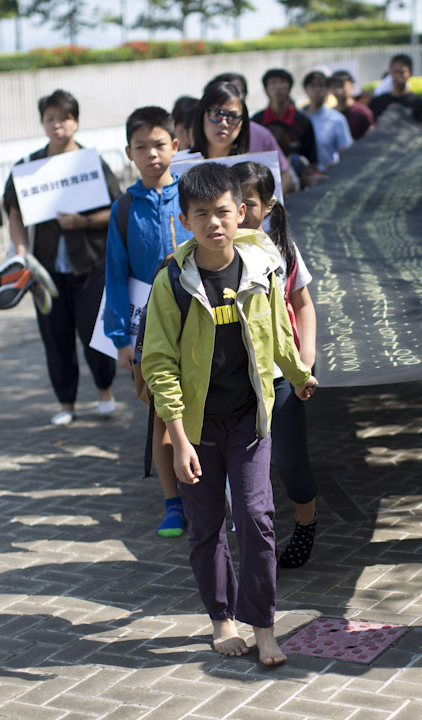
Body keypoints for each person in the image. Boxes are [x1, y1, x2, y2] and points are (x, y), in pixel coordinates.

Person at [141, 162, 316, 665]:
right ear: (185, 221)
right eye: (202, 215)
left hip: (248, 418)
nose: (214, 224)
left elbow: (277, 331)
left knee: (257, 516)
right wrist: (177, 437)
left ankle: (263, 625)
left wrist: (299, 374)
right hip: (195, 427)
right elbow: (158, 361)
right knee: (206, 526)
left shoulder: (262, 262)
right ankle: (221, 618)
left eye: (223, 212)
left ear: (241, 213)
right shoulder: (172, 281)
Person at [3, 89, 122, 426]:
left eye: (64, 118)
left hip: (91, 264)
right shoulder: (27, 167)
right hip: (46, 269)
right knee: (55, 336)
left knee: (94, 333)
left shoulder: (92, 163)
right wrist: (22, 254)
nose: (57, 125)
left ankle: (104, 391)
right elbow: (14, 213)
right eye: (50, 118)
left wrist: (82, 221)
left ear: (76, 121)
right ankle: (66, 402)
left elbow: (115, 208)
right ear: (42, 123)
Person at [104, 106, 194, 538]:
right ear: (129, 153)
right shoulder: (123, 209)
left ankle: (210, 492)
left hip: (200, 323)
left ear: (175, 146)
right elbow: (115, 274)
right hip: (148, 330)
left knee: (206, 411)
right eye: (142, 147)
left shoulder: (194, 194)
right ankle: (172, 502)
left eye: (160, 144)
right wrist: (121, 336)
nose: (152, 154)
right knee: (161, 417)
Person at [232, 160, 319, 568]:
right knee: (249, 469)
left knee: (289, 461)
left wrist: (306, 360)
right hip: (234, 376)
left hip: (283, 374)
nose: (238, 211)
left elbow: (303, 305)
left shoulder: (283, 248)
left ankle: (306, 522)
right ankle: (257, 552)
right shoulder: (215, 250)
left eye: (248, 203)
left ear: (268, 206)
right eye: (234, 202)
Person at [190, 80, 296, 195]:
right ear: (201, 115)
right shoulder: (182, 167)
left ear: (243, 124)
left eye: (233, 117)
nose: (224, 123)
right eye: (216, 114)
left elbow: (285, 174)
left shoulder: (252, 169)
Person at [251, 68, 318, 172]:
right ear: (266, 89)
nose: (278, 87)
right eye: (273, 83)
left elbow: (312, 159)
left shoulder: (303, 121)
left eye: (282, 82)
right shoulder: (256, 122)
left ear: (290, 87)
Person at [302, 70, 353, 172]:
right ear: (305, 89)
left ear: (328, 89)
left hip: (328, 176)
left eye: (321, 85)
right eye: (313, 86)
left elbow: (346, 151)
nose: (317, 90)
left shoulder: (337, 118)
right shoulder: (298, 118)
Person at [369, 54, 422, 126]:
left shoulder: (418, 103)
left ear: (410, 73)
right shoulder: (377, 102)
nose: (398, 76)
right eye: (395, 71)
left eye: (402, 72)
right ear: (390, 72)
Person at [329, 70, 375, 140]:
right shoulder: (330, 115)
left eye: (341, 86)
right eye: (334, 86)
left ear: (352, 86)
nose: (338, 90)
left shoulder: (363, 113)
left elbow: (371, 140)